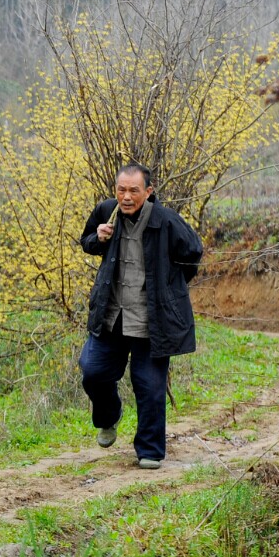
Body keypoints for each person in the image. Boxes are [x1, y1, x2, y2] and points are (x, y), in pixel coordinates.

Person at [79, 163, 203, 469]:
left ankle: (149, 450)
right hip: (112, 317)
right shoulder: (106, 212)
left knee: (149, 384)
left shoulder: (167, 221)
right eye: (122, 189)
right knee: (92, 370)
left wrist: (168, 287)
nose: (127, 196)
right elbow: (87, 243)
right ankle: (110, 416)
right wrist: (99, 238)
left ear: (148, 192)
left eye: (134, 190)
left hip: (152, 321)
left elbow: (193, 254)